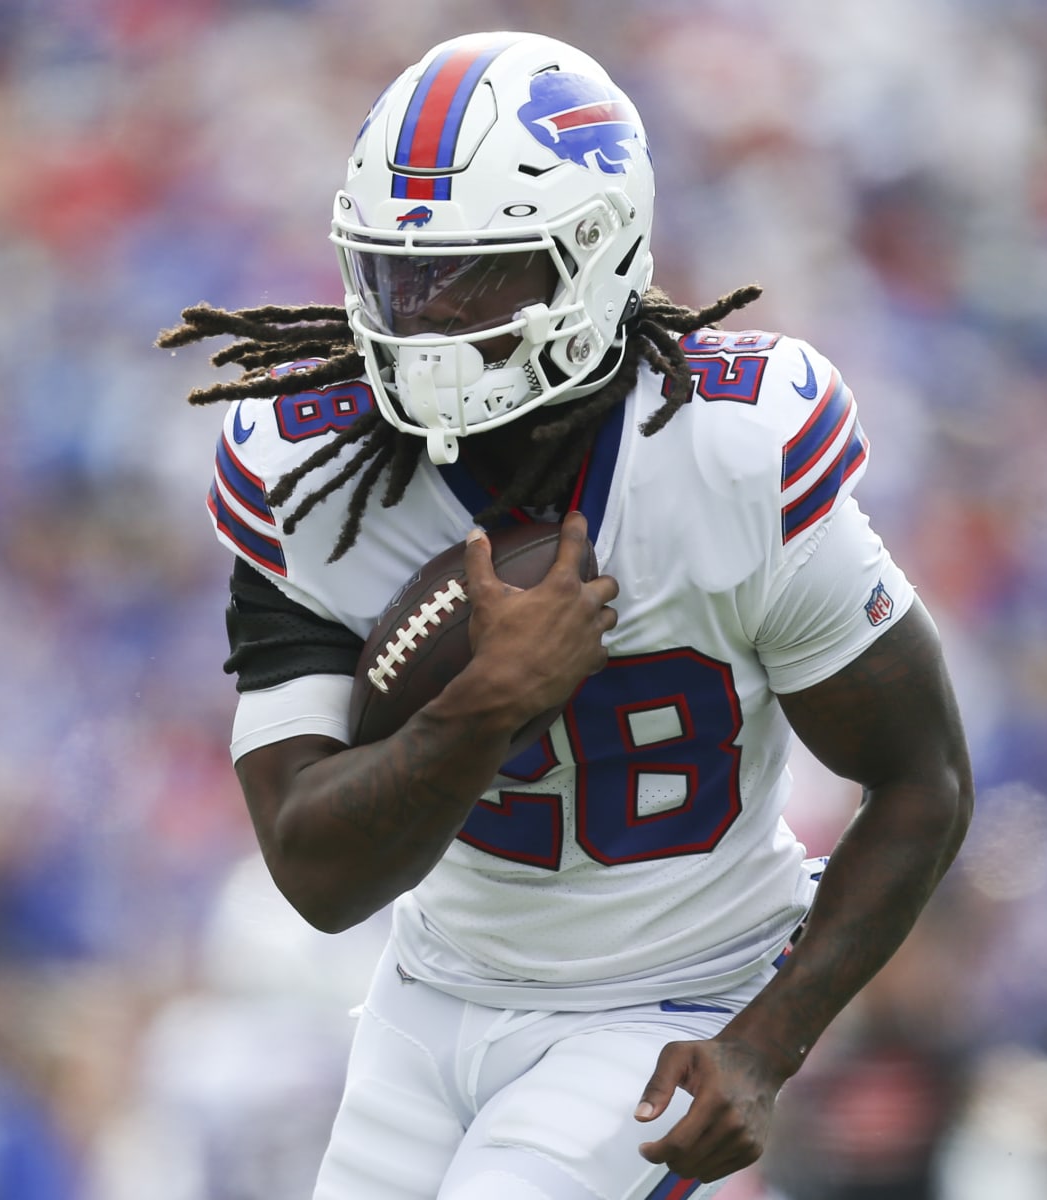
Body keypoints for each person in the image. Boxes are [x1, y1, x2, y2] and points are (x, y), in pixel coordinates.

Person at [160, 31, 974, 1200]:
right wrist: (487, 701)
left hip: (667, 995)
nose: (423, 316)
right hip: (432, 990)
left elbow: (924, 779)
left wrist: (767, 1040)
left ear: (589, 259)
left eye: (470, 274)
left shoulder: (730, 453)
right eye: (396, 274)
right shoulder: (313, 473)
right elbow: (317, 872)